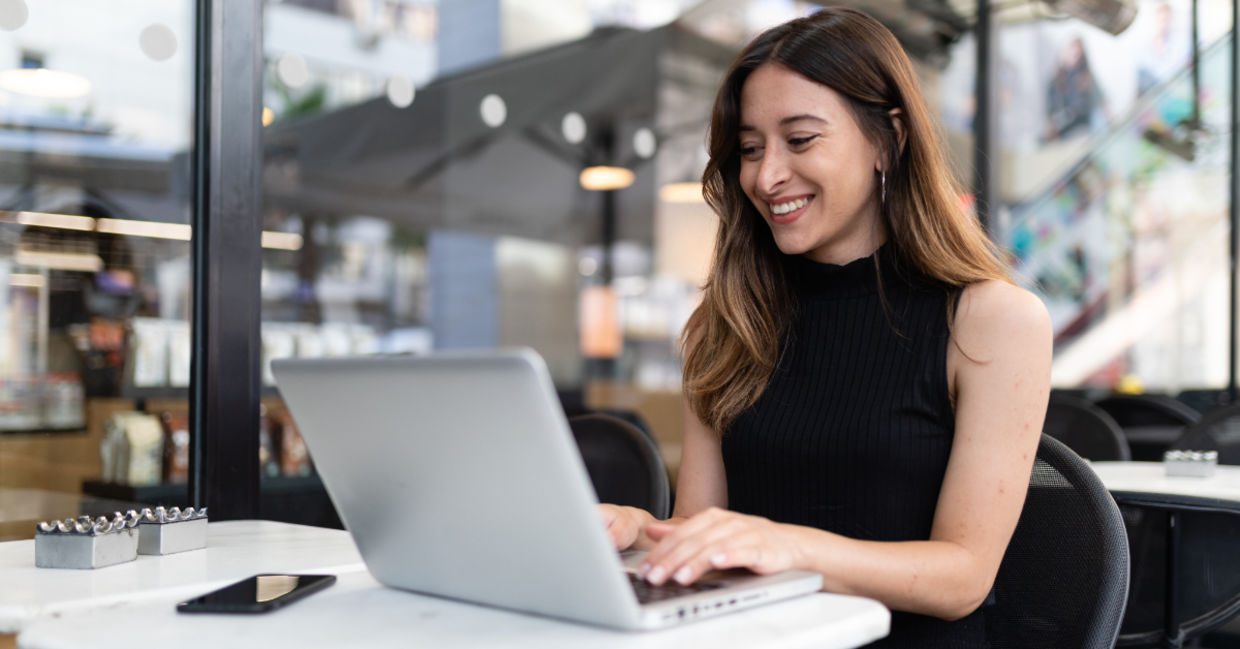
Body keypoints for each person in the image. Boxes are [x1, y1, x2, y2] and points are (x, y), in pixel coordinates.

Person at [599, 7, 1052, 648]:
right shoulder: (721, 328)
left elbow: (963, 579)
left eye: (800, 140)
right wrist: (642, 532)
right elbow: (709, 539)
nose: (765, 175)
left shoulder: (993, 321)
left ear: (888, 139)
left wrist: (787, 546)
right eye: (751, 149)